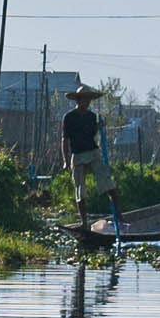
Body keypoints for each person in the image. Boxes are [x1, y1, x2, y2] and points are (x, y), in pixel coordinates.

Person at [60, 85, 107, 218]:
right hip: (78, 155)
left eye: (88, 100)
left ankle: (119, 217)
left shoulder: (92, 117)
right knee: (80, 191)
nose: (87, 103)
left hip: (92, 152)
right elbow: (65, 140)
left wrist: (99, 126)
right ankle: (84, 222)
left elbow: (92, 133)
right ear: (78, 100)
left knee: (108, 183)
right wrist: (66, 161)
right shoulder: (69, 117)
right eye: (84, 100)